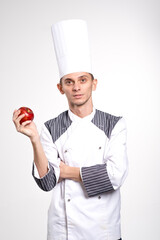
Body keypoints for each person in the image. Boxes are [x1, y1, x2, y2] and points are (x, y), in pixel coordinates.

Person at [13, 20, 128, 240]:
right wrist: (35, 139)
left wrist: (66, 172)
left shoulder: (115, 124)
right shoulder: (50, 128)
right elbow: (47, 183)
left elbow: (114, 177)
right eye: (69, 81)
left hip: (105, 232)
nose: (76, 87)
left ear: (94, 83)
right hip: (63, 232)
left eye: (83, 80)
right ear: (60, 87)